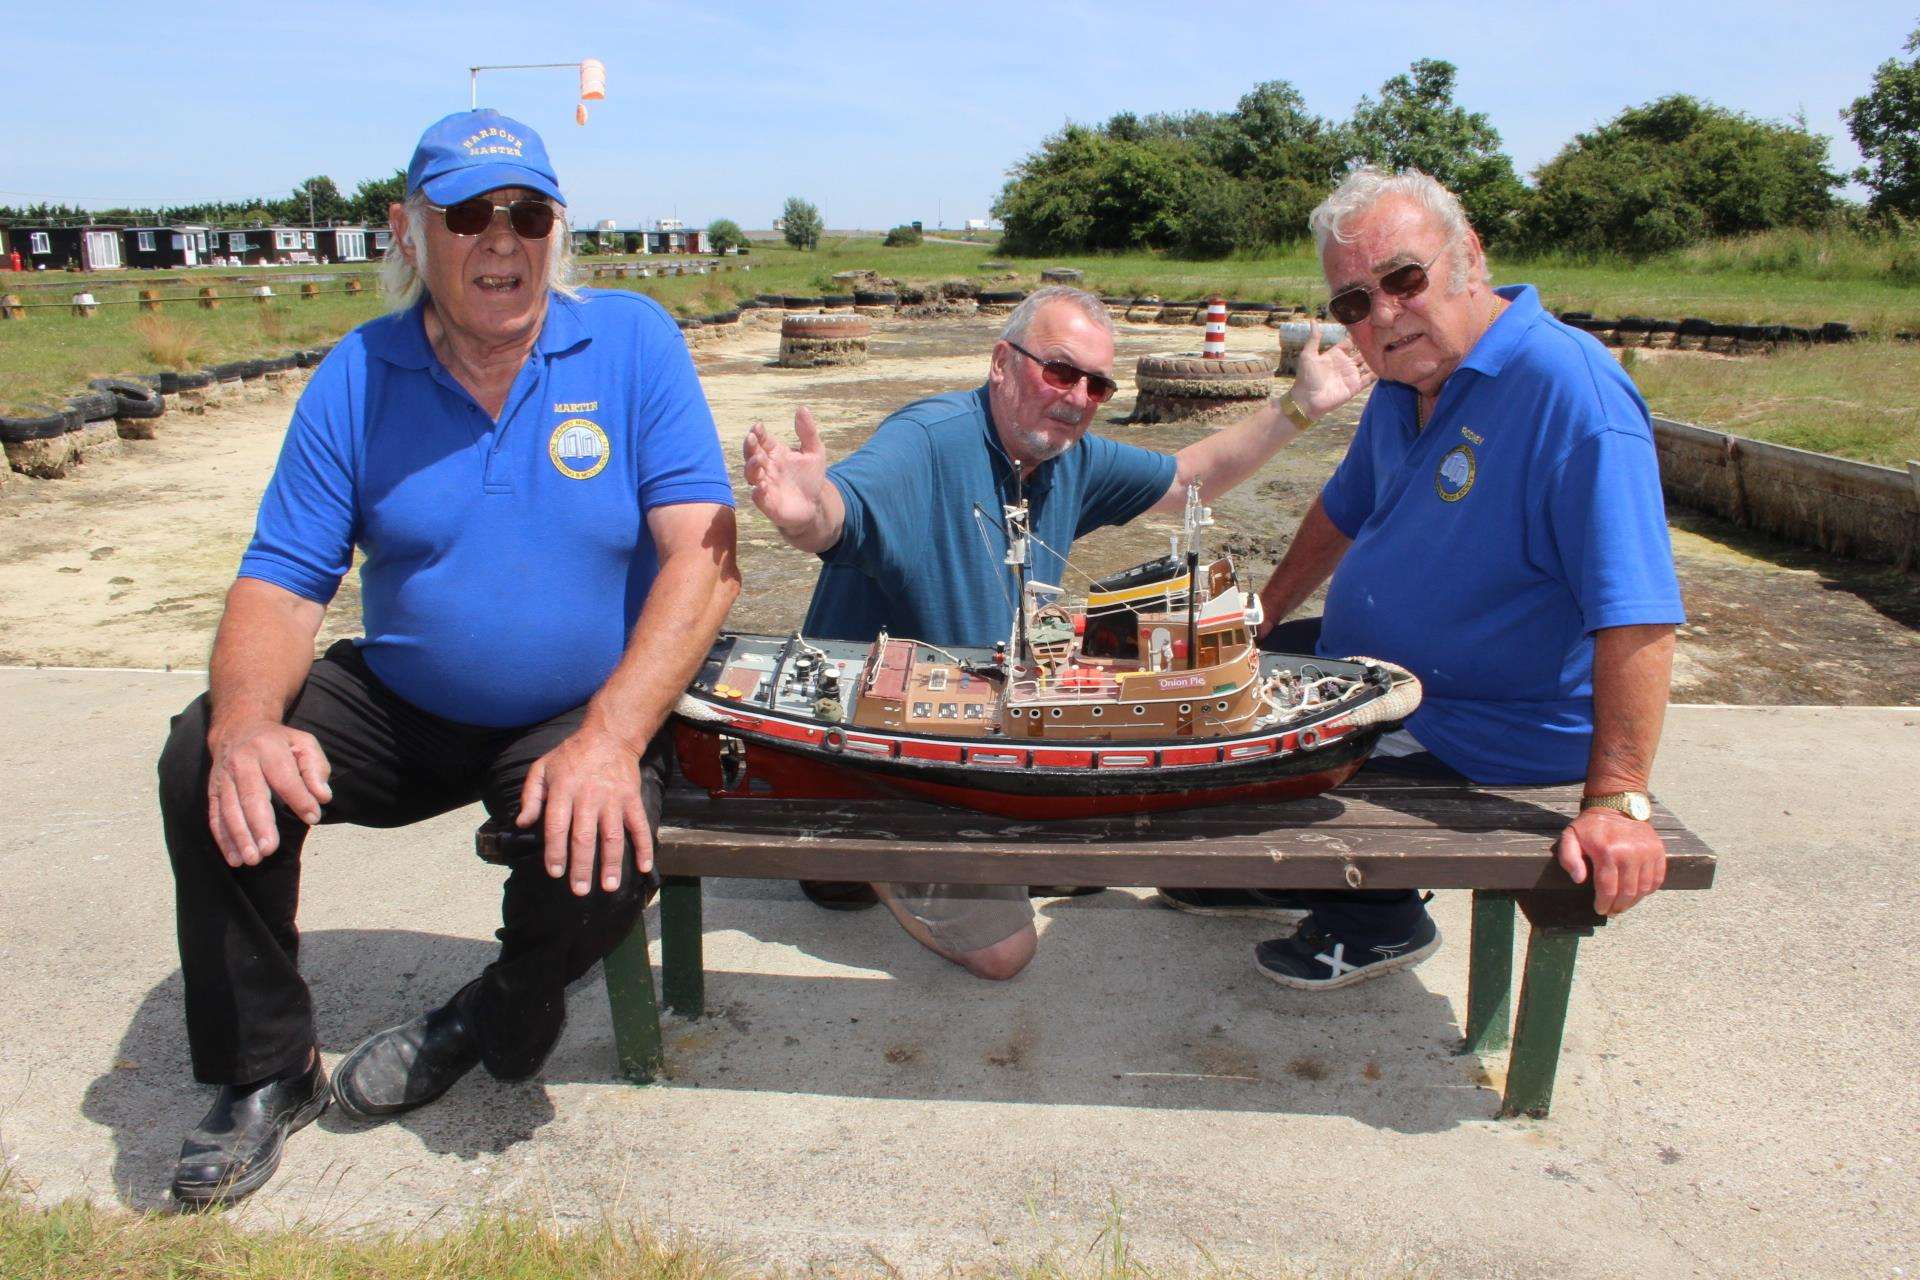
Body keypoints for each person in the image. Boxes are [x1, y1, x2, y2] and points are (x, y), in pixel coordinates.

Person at [156, 108, 739, 1207]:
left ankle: (494, 1009)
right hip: (406, 701)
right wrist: (245, 721)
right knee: (204, 757)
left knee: (603, 834)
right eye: (469, 214)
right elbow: (280, 583)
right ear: (407, 233)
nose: (502, 240)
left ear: (558, 228)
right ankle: (264, 1069)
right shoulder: (358, 374)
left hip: (576, 706)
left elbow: (703, 561)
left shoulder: (629, 343)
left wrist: (615, 734)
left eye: (529, 212)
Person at [742, 285, 1372, 981]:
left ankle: (995, 842)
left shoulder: (1068, 455)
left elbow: (1189, 478)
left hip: (995, 732)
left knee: (1093, 819)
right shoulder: (928, 441)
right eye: (1059, 370)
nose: (1077, 397)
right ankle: (855, 865)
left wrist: (1300, 406)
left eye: (1097, 384)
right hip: (890, 766)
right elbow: (845, 508)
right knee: (1006, 955)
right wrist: (805, 513)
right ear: (1002, 364)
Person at [1213, 166, 1684, 991]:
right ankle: (1266, 869)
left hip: (1482, 716)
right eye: (1353, 304)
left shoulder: (1571, 394)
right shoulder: (1408, 380)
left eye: (1402, 278)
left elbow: (1638, 611)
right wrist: (1265, 612)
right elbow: (1342, 508)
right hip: (1382, 670)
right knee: (1216, 694)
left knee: (1248, 764)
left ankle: (1381, 917)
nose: (1383, 316)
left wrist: (1616, 801)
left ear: (1468, 255)